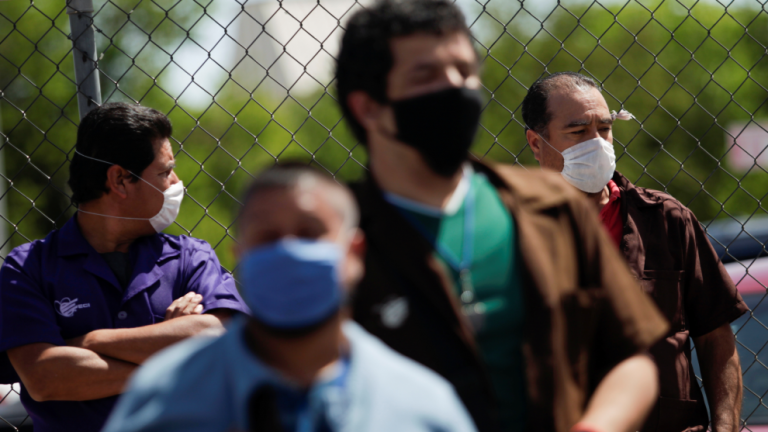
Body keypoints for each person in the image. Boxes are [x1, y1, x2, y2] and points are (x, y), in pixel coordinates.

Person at [335, 1, 669, 431]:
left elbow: (634, 362)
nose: (455, 86)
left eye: (464, 70)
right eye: (427, 75)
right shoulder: (334, 240)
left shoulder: (551, 208)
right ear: (368, 108)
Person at [101, 164, 478, 432]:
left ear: (355, 253)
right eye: (268, 236)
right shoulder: (159, 401)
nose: (288, 249)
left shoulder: (422, 408)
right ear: (240, 257)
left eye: (309, 232)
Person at [0, 102, 249, 432]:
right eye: (164, 172)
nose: (176, 181)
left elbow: (219, 338)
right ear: (119, 180)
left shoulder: (192, 256)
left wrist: (87, 341)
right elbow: (45, 378)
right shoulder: (28, 267)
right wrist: (177, 364)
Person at [522, 72, 749, 432]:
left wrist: (725, 428)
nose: (597, 143)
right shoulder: (512, 230)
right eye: (578, 132)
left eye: (605, 129)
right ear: (537, 143)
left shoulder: (665, 218)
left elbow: (715, 336)